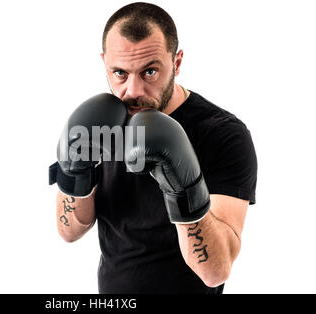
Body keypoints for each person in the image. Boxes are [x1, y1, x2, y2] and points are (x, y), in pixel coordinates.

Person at [49, 2, 257, 294]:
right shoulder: (97, 125)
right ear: (104, 63)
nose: (132, 91)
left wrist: (184, 190)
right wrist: (75, 171)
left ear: (177, 62)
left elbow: (216, 271)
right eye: (120, 73)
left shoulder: (222, 134)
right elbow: (69, 231)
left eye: (149, 72)